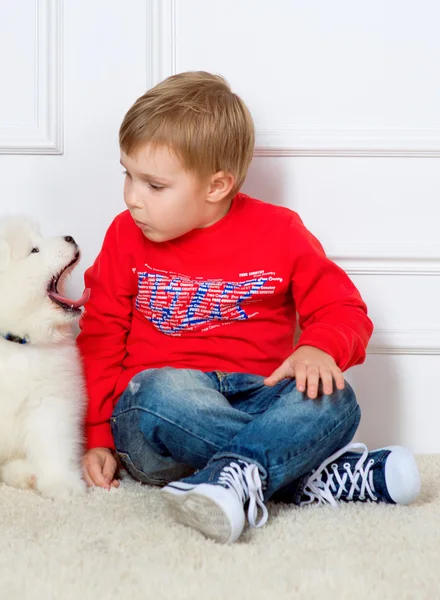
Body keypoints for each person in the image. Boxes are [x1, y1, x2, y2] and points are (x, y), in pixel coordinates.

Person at [76, 71, 421, 544]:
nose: (131, 197)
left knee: (335, 398)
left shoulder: (278, 232)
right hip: (160, 420)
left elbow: (343, 308)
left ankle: (233, 477)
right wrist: (95, 433)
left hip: (259, 396)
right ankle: (313, 472)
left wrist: (319, 348)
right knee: (157, 390)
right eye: (127, 174)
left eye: (154, 185)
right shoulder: (124, 236)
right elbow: (99, 335)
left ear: (217, 186)